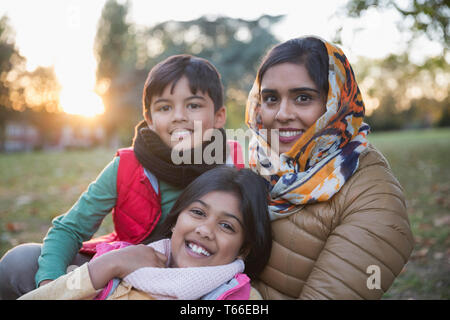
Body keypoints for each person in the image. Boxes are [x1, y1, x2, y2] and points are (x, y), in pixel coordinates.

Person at [0, 54, 244, 300]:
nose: (178, 116)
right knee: (20, 263)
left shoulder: (238, 167)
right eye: (165, 107)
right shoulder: (127, 166)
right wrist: (53, 286)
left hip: (205, 285)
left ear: (219, 116)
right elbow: (70, 229)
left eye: (193, 105)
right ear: (149, 119)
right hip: (124, 276)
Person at [245, 36, 414, 299]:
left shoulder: (372, 194)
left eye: (302, 97)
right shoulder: (255, 164)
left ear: (337, 102)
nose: (281, 114)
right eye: (270, 98)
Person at [18, 166, 272, 300]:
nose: (204, 230)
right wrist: (107, 266)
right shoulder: (120, 260)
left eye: (227, 226)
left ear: (244, 249)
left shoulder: (239, 296)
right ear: (175, 221)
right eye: (197, 212)